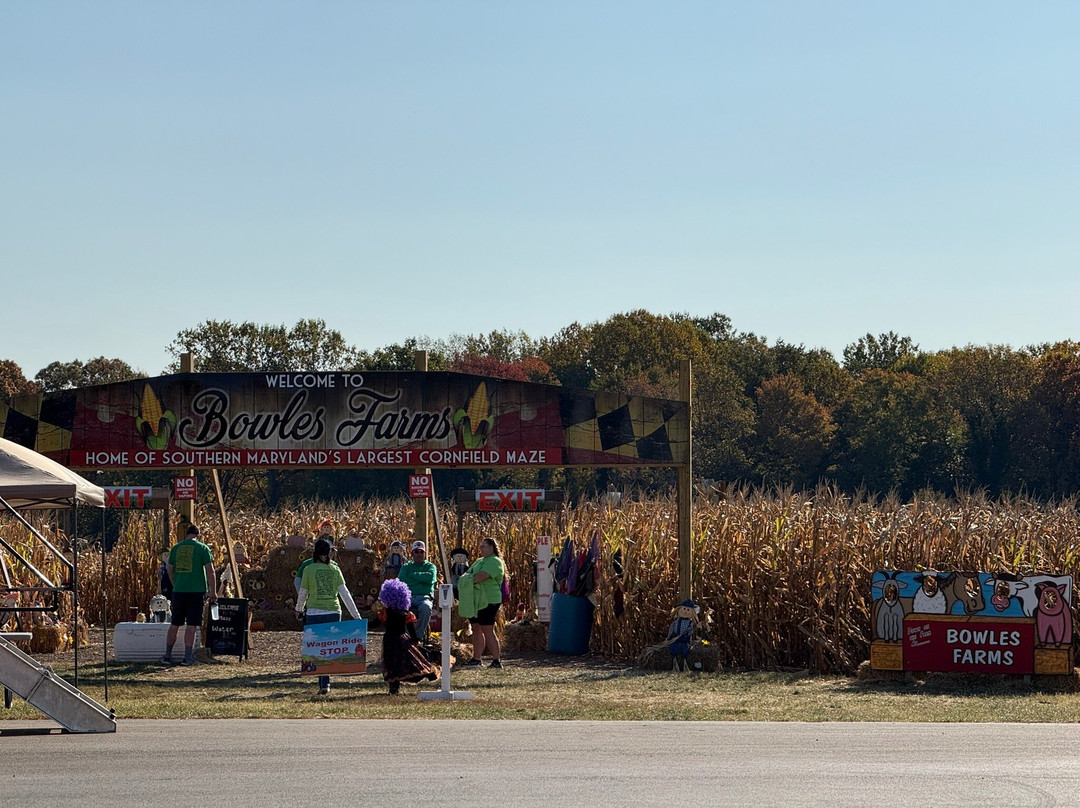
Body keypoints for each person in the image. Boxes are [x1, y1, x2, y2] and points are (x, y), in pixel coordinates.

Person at [295, 537, 362, 696]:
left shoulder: (308, 570)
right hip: (333, 612)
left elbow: (303, 593)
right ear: (328, 553)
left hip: (314, 613)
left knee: (317, 650)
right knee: (329, 649)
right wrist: (356, 616)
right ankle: (325, 682)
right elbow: (345, 594)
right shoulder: (335, 570)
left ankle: (323, 683)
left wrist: (299, 609)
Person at [162, 524, 217, 666]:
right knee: (192, 624)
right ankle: (187, 657)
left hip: (179, 590)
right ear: (198, 535)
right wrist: (213, 591)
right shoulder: (203, 548)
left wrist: (175, 584)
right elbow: (211, 572)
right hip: (196, 591)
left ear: (186, 535)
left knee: (174, 623)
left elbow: (169, 569)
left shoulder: (176, 548)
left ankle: (167, 655)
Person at [377, 578, 439, 694]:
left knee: (392, 663)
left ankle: (394, 688)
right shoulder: (406, 613)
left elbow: (375, 623)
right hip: (402, 639)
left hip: (389, 640)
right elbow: (411, 628)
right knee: (412, 659)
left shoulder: (385, 612)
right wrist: (415, 640)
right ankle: (428, 673)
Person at [460, 537, 505, 669]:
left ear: (491, 547)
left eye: (483, 546)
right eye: (480, 547)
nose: (481, 549)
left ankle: (496, 660)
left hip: (489, 600)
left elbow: (480, 577)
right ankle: (476, 658)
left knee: (487, 629)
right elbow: (467, 574)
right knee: (476, 628)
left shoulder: (495, 561)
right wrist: (468, 579)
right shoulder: (479, 561)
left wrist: (468, 580)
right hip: (475, 601)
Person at [398, 540, 438, 640]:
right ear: (412, 553)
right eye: (416, 552)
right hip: (408, 597)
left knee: (426, 608)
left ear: (425, 553)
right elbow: (402, 580)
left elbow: (430, 579)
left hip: (424, 597)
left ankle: (418, 636)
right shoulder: (406, 567)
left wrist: (412, 576)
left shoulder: (430, 566)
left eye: (421, 552)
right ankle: (406, 637)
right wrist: (421, 580)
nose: (419, 554)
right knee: (401, 611)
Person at [294, 520, 337, 595]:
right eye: (329, 550)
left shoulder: (335, 566)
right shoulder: (307, 565)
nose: (331, 553)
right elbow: (343, 590)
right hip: (320, 604)